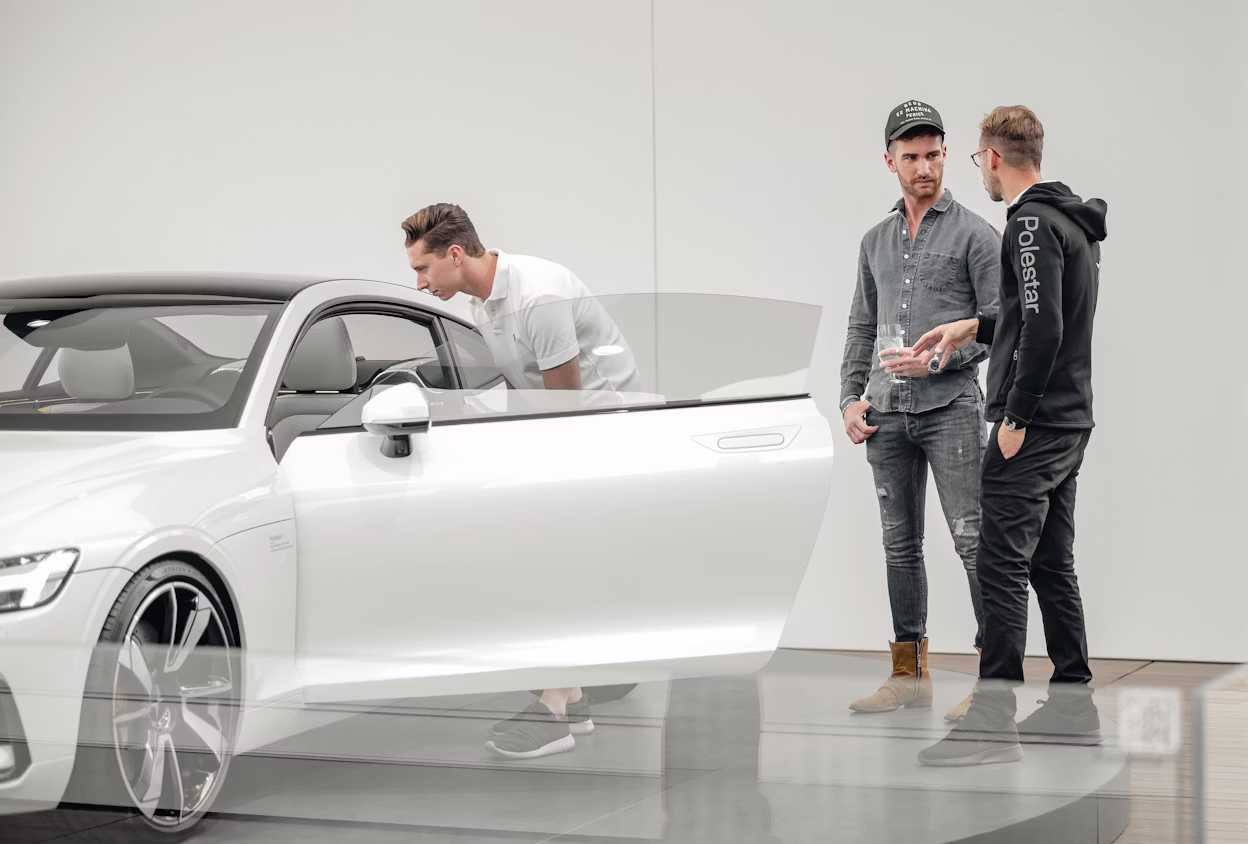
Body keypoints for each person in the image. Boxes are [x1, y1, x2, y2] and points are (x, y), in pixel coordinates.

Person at [400, 203, 642, 760]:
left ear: (455, 255)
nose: (418, 282)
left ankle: (554, 709)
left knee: (556, 560)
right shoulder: (484, 301)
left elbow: (566, 402)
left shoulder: (538, 296)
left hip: (603, 431)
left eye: (423, 269)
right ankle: (573, 697)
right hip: (569, 426)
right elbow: (523, 388)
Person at [914, 106, 1107, 767]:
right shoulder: (1071, 222)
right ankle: (1074, 703)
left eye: (976, 160)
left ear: (993, 158)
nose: (982, 175)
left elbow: (1048, 327)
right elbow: (1038, 320)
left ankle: (992, 725)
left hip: (1039, 423)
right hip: (1072, 419)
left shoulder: (1026, 223)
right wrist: (971, 327)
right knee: (1052, 561)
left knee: (999, 564)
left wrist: (1016, 419)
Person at [840, 101, 1000, 720]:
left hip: (950, 409)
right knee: (899, 546)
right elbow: (860, 325)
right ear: (890, 162)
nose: (925, 166)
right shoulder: (874, 240)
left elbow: (996, 329)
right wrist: (851, 398)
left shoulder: (976, 235)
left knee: (973, 541)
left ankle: (996, 679)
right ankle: (908, 676)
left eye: (934, 154)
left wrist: (942, 362)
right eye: (911, 157)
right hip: (886, 416)